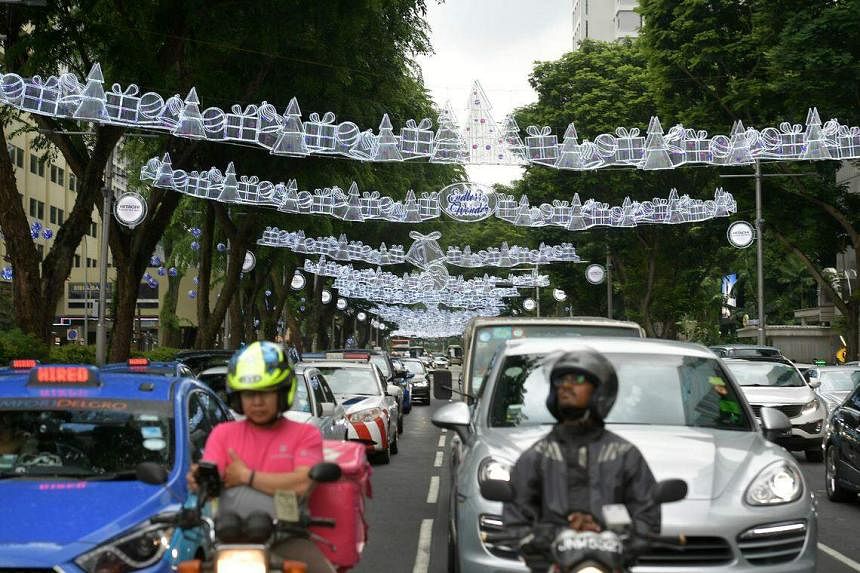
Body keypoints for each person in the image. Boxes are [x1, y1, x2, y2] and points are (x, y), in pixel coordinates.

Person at [186, 341, 335, 573]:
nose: (257, 401)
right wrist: (199, 479)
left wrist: (246, 476)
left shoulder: (306, 434)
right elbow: (211, 478)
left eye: (266, 393)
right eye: (249, 394)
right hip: (228, 539)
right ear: (237, 398)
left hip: (286, 539)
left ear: (283, 393)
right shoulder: (222, 433)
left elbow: (302, 483)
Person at [503, 350, 660, 569]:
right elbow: (517, 514)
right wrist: (545, 539)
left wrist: (625, 538)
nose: (566, 386)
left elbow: (647, 512)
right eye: (561, 380)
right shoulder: (538, 455)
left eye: (577, 379)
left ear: (600, 391)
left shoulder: (624, 454)